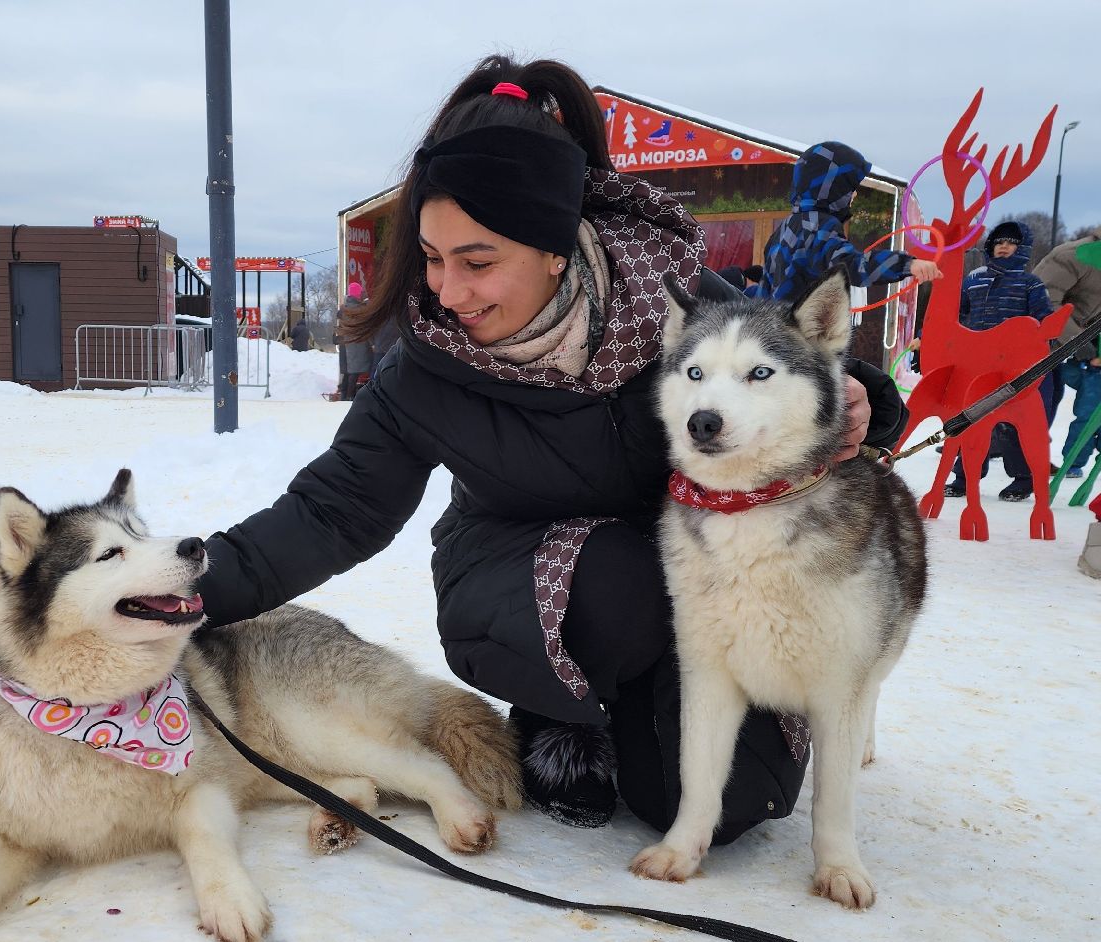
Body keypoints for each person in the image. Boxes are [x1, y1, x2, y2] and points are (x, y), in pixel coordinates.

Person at [196, 55, 906, 839]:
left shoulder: (671, 301)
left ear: (557, 247)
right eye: (432, 259)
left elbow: (780, 356)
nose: (448, 293)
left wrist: (866, 398)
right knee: (615, 576)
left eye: (477, 261)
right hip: (520, 575)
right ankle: (556, 710)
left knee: (731, 804)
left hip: (695, 586)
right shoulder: (424, 371)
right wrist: (174, 597)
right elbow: (331, 512)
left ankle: (648, 713)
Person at [942, 221, 1056, 501]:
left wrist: (1036, 351)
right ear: (990, 246)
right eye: (998, 242)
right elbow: (955, 316)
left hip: (1014, 366)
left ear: (1022, 248)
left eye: (1011, 242)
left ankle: (1023, 477)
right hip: (975, 363)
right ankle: (964, 476)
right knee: (969, 419)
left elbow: (1045, 324)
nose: (1003, 247)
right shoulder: (974, 279)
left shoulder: (1031, 284)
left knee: (1010, 424)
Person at [750, 141, 941, 303]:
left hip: (774, 333)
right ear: (832, 188)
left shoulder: (784, 229)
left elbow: (764, 290)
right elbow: (851, 266)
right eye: (850, 187)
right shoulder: (817, 226)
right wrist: (907, 265)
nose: (855, 194)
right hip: (801, 338)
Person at [1035, 226, 1101, 479]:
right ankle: (1019, 456)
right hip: (1039, 343)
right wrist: (1082, 345)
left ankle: (1031, 454)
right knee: (1038, 398)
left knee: (1055, 397)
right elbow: (1045, 302)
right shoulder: (1073, 255)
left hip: (1067, 349)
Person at [335, 282, 376, 400]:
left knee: (349, 371)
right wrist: (371, 343)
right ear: (357, 294)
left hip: (346, 343)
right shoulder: (358, 309)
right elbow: (365, 325)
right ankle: (350, 396)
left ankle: (345, 395)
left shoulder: (345, 308)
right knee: (354, 371)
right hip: (357, 344)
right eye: (361, 292)